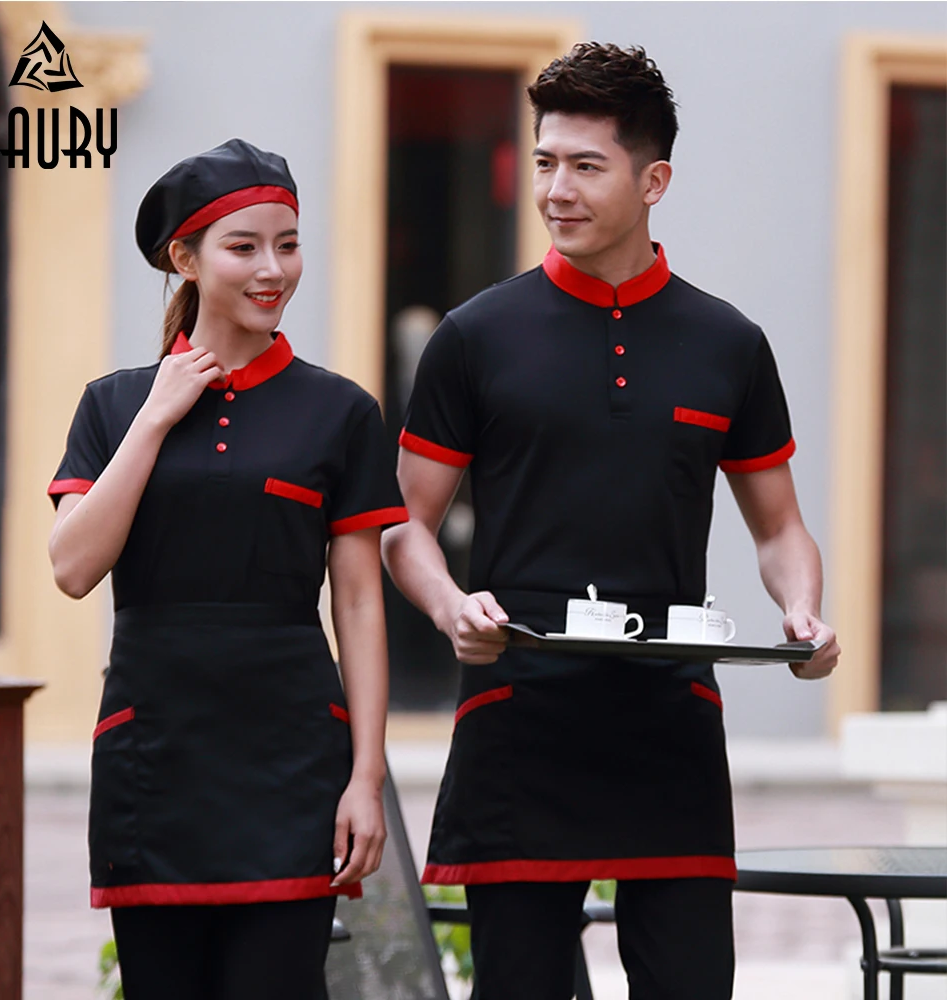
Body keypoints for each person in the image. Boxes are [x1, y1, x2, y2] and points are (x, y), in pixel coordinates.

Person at [381, 44, 840, 1000]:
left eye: (586, 166)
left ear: (653, 180)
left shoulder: (729, 344)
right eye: (545, 161)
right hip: (520, 710)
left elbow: (778, 529)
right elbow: (404, 525)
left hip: (669, 718)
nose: (557, 189)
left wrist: (802, 611)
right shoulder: (475, 337)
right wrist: (451, 607)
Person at [47, 139, 407, 1000]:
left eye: (288, 244)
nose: (272, 269)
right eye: (244, 247)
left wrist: (365, 777)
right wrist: (155, 417)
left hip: (291, 761)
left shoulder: (340, 411)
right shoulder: (113, 403)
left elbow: (360, 604)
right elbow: (73, 566)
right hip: (154, 758)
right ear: (186, 258)